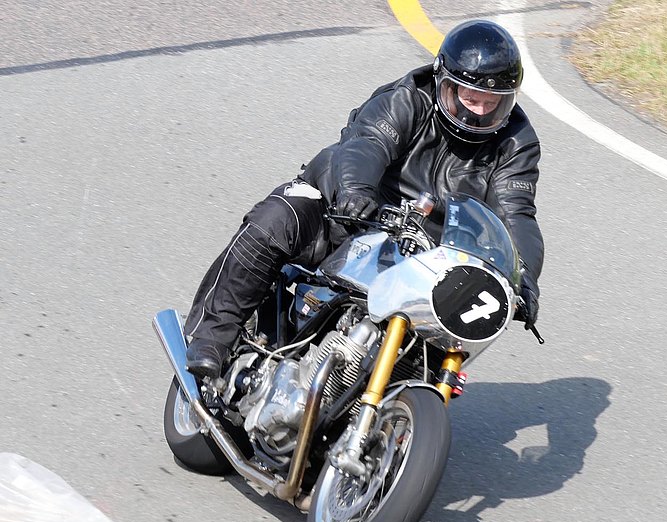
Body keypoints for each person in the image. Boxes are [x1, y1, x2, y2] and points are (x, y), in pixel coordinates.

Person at [184, 19, 545, 379]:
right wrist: (357, 192)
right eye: (470, 98)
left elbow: (516, 214)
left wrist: (524, 277)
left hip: (426, 253)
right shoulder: (407, 99)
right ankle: (213, 335)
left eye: (492, 103)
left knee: (456, 320)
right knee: (276, 220)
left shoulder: (516, 142)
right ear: (444, 84)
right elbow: (368, 144)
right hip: (349, 215)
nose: (479, 111)